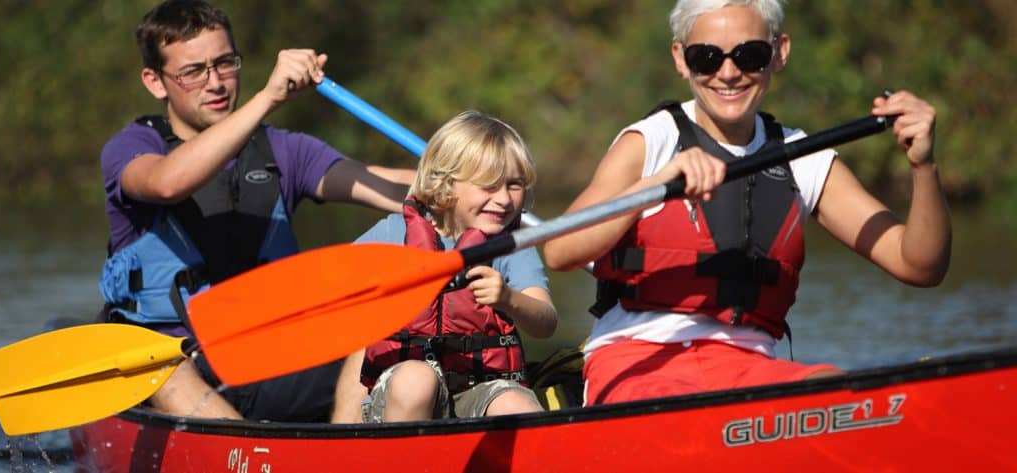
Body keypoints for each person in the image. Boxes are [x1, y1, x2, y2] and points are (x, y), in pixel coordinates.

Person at [542, 0, 951, 406]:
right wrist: (656, 183)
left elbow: (919, 265)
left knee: (833, 387)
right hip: (638, 362)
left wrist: (923, 165)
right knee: (681, 410)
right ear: (680, 59)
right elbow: (560, 250)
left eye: (749, 55)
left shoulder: (802, 158)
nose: (728, 73)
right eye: (706, 57)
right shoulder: (650, 142)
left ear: (780, 52)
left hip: (748, 366)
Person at [97, 0, 414, 422]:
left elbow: (389, 185)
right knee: (165, 372)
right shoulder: (134, 148)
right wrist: (269, 97)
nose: (216, 83)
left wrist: (476, 180)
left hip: (271, 359)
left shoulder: (285, 151)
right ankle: (241, 451)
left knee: (371, 337)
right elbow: (167, 183)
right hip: (176, 363)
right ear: (155, 82)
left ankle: (344, 453)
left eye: (225, 63)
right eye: (193, 71)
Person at [338, 111, 558, 423]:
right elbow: (334, 288)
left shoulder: (512, 245)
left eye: (514, 185)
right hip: (404, 388)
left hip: (483, 386)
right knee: (416, 380)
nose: (504, 199)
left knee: (514, 404)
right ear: (446, 184)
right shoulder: (391, 233)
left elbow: (546, 323)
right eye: (489, 186)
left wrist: (509, 298)